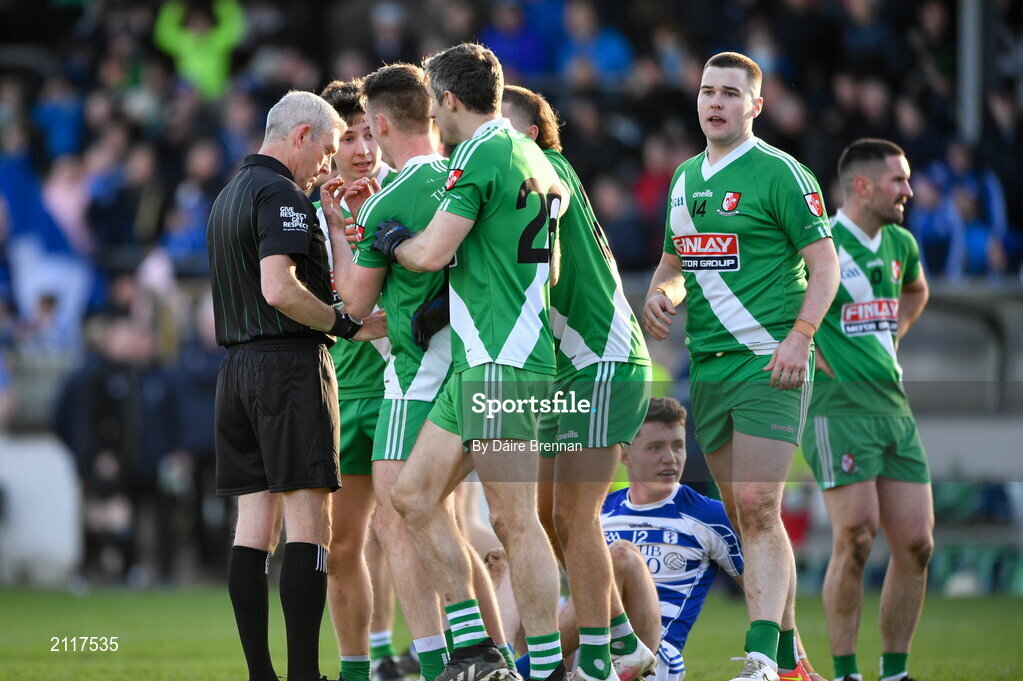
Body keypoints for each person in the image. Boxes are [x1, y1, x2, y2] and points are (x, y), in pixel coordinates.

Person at [369, 43, 565, 681]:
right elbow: (550, 266)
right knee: (412, 496)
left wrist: (392, 241)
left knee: (514, 520)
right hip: (484, 360)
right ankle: (477, 651)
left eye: (434, 102)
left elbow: (427, 254)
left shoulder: (480, 150)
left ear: (448, 100)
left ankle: (537, 666)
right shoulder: (535, 155)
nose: (433, 116)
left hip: (505, 361)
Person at [642, 52, 839, 681]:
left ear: (756, 105)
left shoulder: (781, 173)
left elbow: (826, 265)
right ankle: (791, 661)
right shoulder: (682, 179)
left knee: (757, 504)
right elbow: (676, 268)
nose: (715, 102)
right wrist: (661, 295)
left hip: (770, 364)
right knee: (743, 516)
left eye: (730, 93)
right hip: (709, 370)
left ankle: (757, 660)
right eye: (707, 91)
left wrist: (801, 337)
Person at [322, 62, 517, 681]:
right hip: (496, 363)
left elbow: (351, 304)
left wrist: (346, 232)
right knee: (470, 522)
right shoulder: (478, 173)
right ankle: (506, 657)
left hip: (416, 376)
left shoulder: (390, 198)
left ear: (378, 126)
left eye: (364, 132)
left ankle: (450, 660)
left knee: (401, 512)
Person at [206, 90, 384, 681]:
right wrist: (343, 326)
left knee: (254, 529)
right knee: (311, 528)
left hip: (234, 374)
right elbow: (281, 289)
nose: (328, 166)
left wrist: (332, 225)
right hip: (287, 367)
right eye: (328, 150)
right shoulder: (280, 193)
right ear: (301, 136)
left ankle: (262, 673)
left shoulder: (227, 196)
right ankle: (305, 674)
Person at [501, 84, 655, 681]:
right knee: (546, 515)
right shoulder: (532, 172)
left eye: (500, 130)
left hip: (601, 364)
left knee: (572, 514)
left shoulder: (542, 172)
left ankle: (595, 660)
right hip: (570, 369)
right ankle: (624, 640)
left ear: (533, 133)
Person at [802, 139, 931, 681]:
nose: (908, 191)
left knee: (918, 545)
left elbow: (916, 291)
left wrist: (890, 337)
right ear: (863, 186)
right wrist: (807, 346)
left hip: (892, 406)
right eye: (898, 181)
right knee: (856, 537)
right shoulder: (820, 244)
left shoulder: (900, 243)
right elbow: (779, 303)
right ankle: (847, 670)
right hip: (836, 407)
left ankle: (895, 671)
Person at [314, 78, 400, 681]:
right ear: (328, 145)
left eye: (371, 132)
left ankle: (469, 655)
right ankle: (356, 670)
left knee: (417, 533)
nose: (363, 147)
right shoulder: (308, 216)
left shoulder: (410, 194)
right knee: (341, 547)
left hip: (405, 386)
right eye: (349, 136)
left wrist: (370, 323)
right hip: (340, 394)